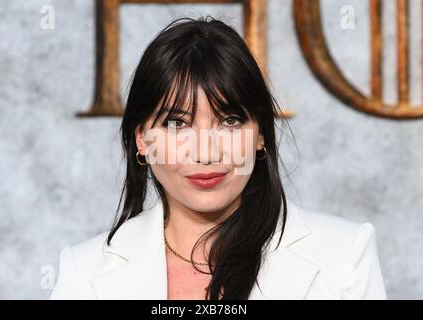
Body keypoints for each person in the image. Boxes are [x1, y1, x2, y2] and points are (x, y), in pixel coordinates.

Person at [50, 16, 387, 300]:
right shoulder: (83, 273)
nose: (206, 152)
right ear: (142, 139)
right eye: (176, 124)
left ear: (260, 135)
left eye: (229, 120)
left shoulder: (344, 255)